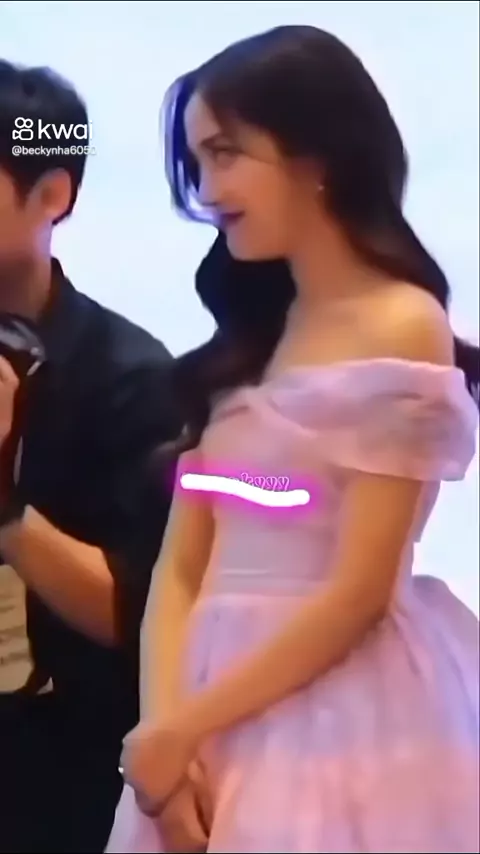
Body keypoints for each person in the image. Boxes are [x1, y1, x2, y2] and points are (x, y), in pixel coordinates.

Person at [108, 25, 480, 852]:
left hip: (340, 718)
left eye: (226, 155)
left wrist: (183, 728)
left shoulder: (400, 324)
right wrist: (164, 738)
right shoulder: (249, 337)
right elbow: (182, 565)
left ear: (317, 157)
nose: (208, 189)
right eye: (197, 163)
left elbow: (360, 592)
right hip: (201, 722)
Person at [0, 61, 183, 853]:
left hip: (60, 777)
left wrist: (5, 507)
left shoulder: (134, 379)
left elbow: (141, 614)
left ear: (52, 194)